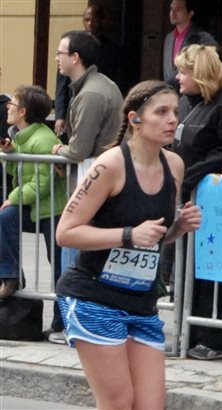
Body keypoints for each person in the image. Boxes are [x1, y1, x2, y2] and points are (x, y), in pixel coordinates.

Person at [55, 80, 201, 410]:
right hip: (94, 298)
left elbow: (153, 236)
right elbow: (66, 232)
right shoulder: (110, 165)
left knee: (150, 406)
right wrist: (127, 234)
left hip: (141, 302)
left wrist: (178, 227)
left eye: (175, 112)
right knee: (119, 403)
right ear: (135, 119)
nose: (172, 120)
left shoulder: (174, 165)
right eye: (161, 112)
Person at [173, 44, 222, 360]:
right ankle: (186, 333)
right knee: (186, 267)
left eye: (183, 72)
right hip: (188, 196)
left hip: (211, 198)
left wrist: (189, 175)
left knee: (210, 269)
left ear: (199, 74)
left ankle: (213, 340)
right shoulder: (187, 103)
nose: (177, 78)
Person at [0, 85, 67, 337]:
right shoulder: (21, 136)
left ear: (24, 111)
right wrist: (10, 154)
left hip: (53, 210)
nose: (8, 108)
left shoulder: (42, 139)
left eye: (13, 104)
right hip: (36, 209)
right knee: (5, 218)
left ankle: (62, 322)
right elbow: (20, 173)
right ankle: (10, 276)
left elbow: (42, 183)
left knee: (58, 265)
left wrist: (13, 197)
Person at [54, 4, 126, 139]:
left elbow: (119, 80)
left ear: (102, 21)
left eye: (94, 19)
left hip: (103, 107)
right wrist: (59, 116)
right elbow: (61, 87)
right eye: (87, 20)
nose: (90, 23)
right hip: (74, 109)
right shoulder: (71, 48)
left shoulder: (113, 50)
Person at [52, 30, 123, 167]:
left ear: (75, 58)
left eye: (60, 53)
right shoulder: (98, 84)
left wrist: (59, 149)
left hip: (101, 172)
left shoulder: (90, 94)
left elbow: (78, 151)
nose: (56, 58)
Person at [163, 0, 218, 91]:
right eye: (171, 9)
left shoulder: (201, 37)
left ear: (190, 14)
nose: (173, 12)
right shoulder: (169, 38)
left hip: (191, 92)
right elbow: (167, 70)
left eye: (178, 9)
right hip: (170, 92)